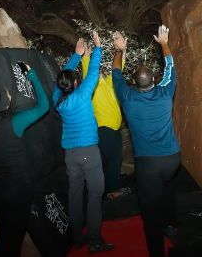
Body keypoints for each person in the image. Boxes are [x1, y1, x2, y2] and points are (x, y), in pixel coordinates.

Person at [111, 26, 180, 257]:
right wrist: (163, 43)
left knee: (150, 213)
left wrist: (120, 50)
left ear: (135, 83)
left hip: (148, 165)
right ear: (154, 79)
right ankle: (172, 226)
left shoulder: (128, 98)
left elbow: (115, 73)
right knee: (167, 187)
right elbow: (171, 67)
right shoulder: (165, 92)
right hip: (172, 160)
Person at [0, 62, 49, 257]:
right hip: (18, 191)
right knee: (12, 239)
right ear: (4, 104)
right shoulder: (15, 122)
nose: (9, 95)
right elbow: (44, 106)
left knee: (7, 234)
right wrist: (31, 73)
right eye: (7, 94)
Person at [53, 33, 114, 253]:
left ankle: (77, 236)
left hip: (70, 155)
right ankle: (95, 239)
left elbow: (62, 79)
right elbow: (94, 72)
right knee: (96, 195)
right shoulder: (82, 95)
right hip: (89, 152)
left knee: (75, 195)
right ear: (76, 83)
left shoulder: (58, 100)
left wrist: (77, 56)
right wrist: (97, 48)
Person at [81, 46, 129, 199]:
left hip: (110, 130)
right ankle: (113, 190)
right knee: (115, 159)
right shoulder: (91, 85)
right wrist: (86, 56)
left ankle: (100, 191)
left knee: (106, 161)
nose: (100, 69)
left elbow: (119, 67)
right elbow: (88, 70)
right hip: (104, 129)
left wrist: (123, 49)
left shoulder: (110, 82)